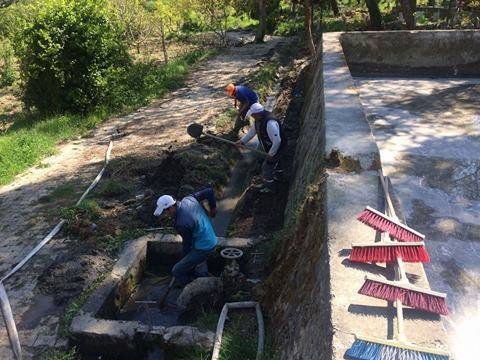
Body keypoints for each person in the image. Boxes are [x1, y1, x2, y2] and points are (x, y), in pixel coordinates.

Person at [153, 187, 217, 286]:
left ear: (171, 207)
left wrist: (183, 262)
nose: (166, 214)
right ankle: (196, 272)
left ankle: (191, 288)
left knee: (177, 271)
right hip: (211, 237)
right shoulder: (189, 199)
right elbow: (209, 191)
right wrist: (213, 208)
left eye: (166, 211)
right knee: (189, 264)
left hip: (204, 247)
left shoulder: (182, 223)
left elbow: (187, 247)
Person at [236, 103, 286, 193]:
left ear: (257, 114)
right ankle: (280, 177)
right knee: (277, 163)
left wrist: (271, 154)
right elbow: (252, 132)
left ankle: (270, 187)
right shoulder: (259, 119)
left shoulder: (270, 123)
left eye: (252, 115)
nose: (252, 116)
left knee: (266, 167)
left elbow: (277, 141)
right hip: (270, 146)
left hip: (278, 147)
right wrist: (242, 141)